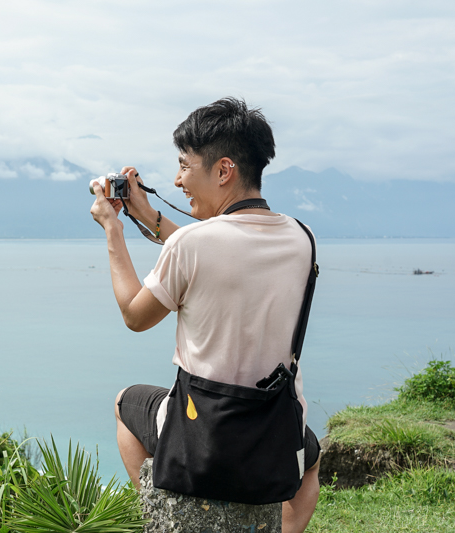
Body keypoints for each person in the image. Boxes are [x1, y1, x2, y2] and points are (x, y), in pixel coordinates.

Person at [89, 97, 320, 533]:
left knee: (125, 404)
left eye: (184, 166)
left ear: (223, 170)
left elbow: (135, 316)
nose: (177, 180)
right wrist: (149, 215)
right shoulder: (300, 237)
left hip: (203, 439)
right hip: (276, 432)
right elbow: (218, 254)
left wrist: (114, 230)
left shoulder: (192, 246)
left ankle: (163, 515)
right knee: (311, 465)